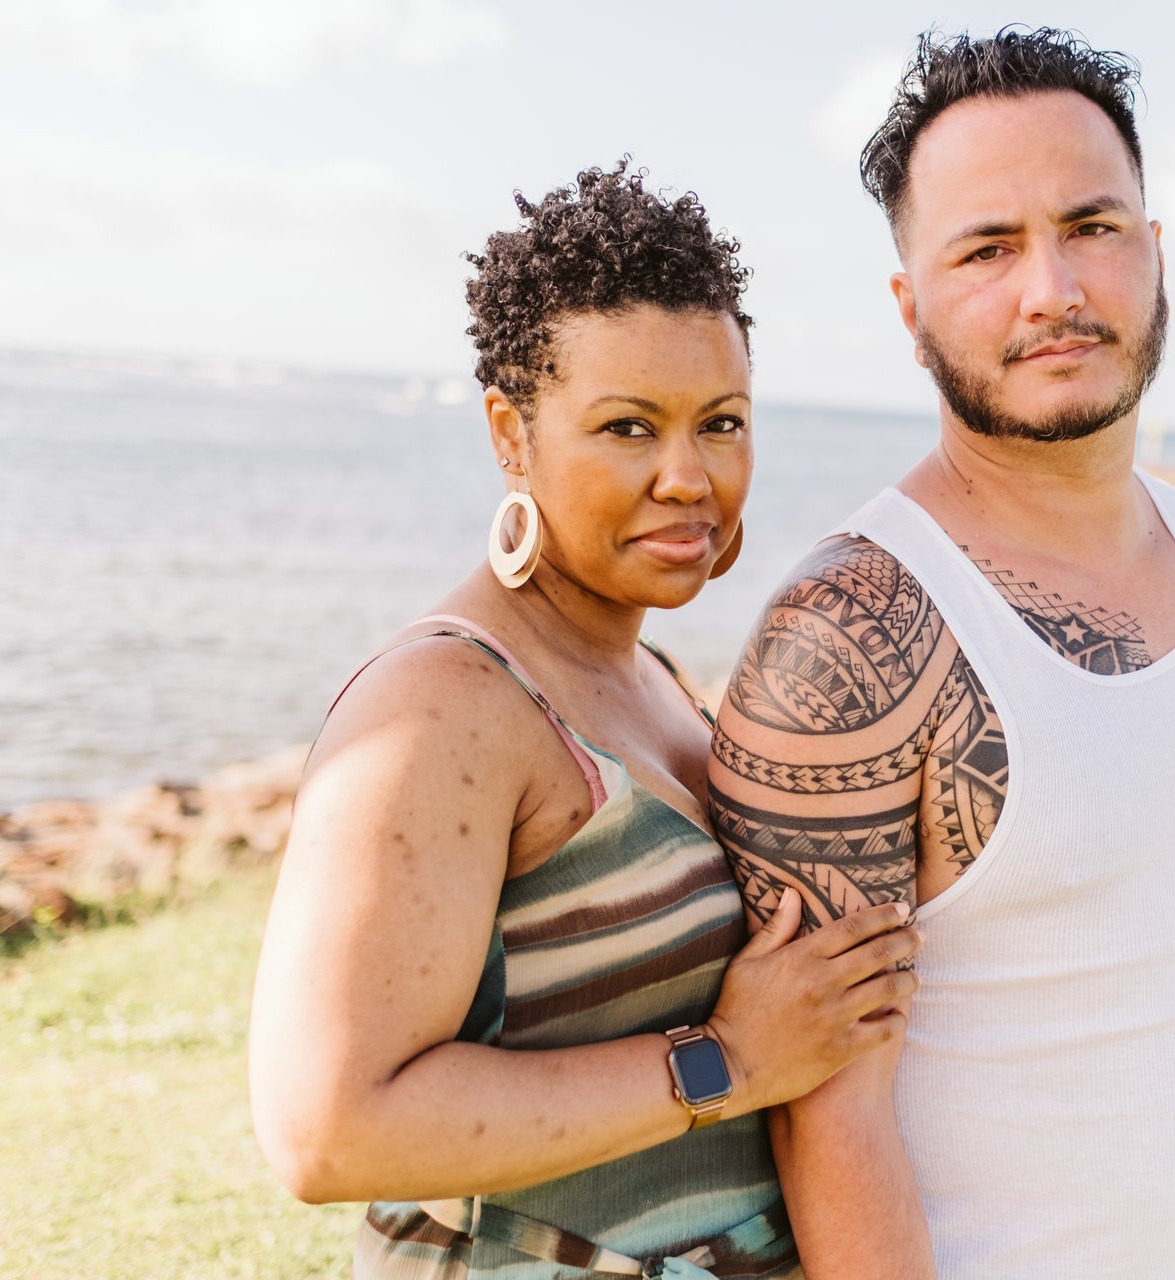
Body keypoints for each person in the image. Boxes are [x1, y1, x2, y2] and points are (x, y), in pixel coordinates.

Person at [709, 29, 1175, 1280]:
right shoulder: (848, 636)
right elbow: (823, 1110)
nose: (1053, 289)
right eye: (987, 248)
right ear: (910, 313)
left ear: (1154, 250)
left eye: (1092, 226)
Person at [248, 162, 919, 1280]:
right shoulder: (443, 705)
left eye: (720, 423)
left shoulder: (650, 672)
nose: (688, 476)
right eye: (627, 426)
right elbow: (326, 1128)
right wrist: (728, 1060)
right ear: (511, 433)